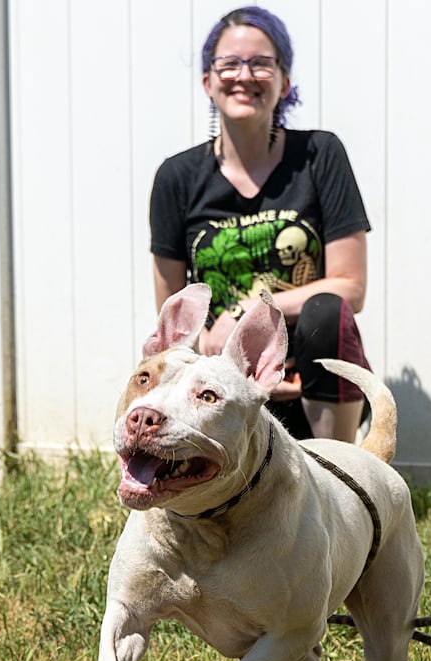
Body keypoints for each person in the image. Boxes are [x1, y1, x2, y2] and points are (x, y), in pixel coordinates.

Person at [149, 6, 371, 442]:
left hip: (306, 384)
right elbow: (173, 324)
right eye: (228, 63)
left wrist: (245, 312)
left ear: (285, 82)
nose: (244, 75)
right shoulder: (177, 178)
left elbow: (351, 287)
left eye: (261, 63)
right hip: (220, 395)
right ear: (208, 82)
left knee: (328, 311)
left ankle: (340, 472)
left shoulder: (320, 157)